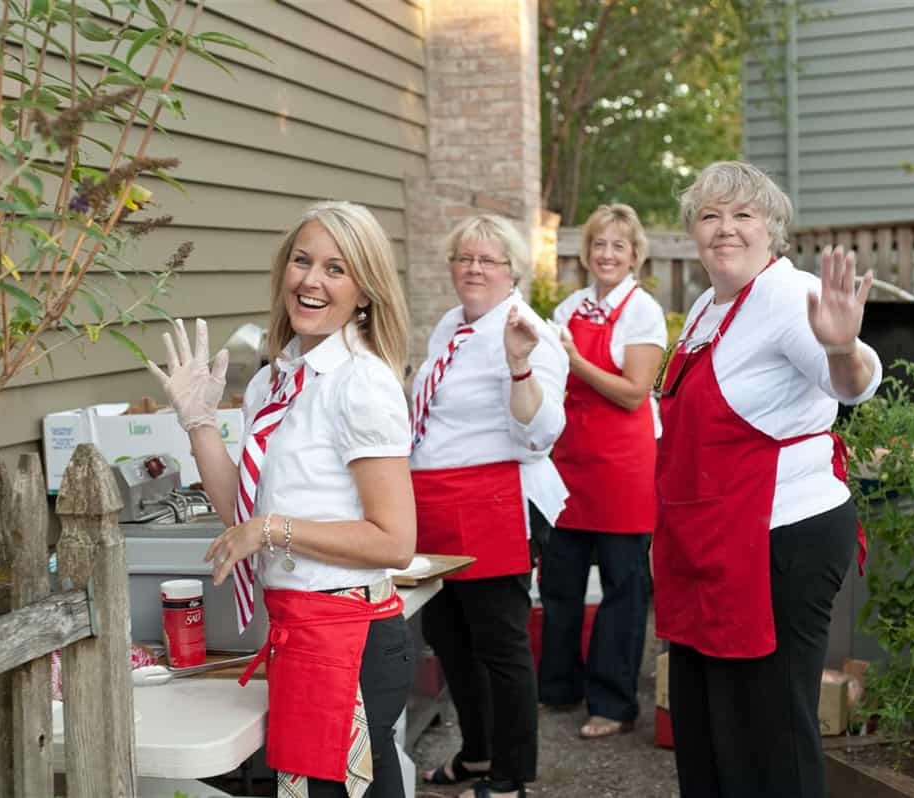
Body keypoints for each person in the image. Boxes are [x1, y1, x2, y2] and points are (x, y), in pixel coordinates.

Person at [144, 201, 417, 798]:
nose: (311, 280)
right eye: (302, 261)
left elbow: (395, 541)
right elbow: (238, 512)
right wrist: (197, 422)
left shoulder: (362, 383)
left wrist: (272, 529)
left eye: (335, 268)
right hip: (300, 634)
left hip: (350, 640)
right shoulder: (277, 380)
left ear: (365, 292)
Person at [654, 161, 881, 798]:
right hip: (711, 542)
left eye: (742, 215)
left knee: (771, 733)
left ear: (772, 230)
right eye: (709, 215)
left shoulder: (789, 296)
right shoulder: (706, 307)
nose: (725, 229)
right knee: (704, 724)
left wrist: (842, 349)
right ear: (694, 233)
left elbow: (850, 382)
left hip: (780, 542)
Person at [410, 214, 569, 798]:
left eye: (488, 260)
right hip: (437, 503)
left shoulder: (527, 329)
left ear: (512, 271)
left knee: (500, 646)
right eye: (463, 257)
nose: (473, 268)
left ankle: (510, 776)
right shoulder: (451, 325)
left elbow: (544, 431)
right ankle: (477, 753)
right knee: (449, 636)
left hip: (495, 502)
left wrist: (518, 365)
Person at [542, 203, 666, 739]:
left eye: (618, 245)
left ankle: (612, 703)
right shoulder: (570, 306)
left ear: (634, 255)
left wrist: (574, 362)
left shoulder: (644, 312)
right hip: (568, 463)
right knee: (561, 583)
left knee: (624, 586)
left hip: (623, 466)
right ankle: (559, 686)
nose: (606, 254)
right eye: (598, 244)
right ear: (586, 253)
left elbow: (633, 392)